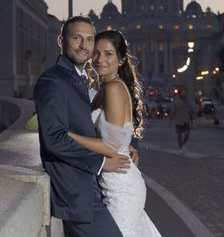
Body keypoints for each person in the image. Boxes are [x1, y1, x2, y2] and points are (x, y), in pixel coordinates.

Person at [34, 16, 130, 237]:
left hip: (89, 187)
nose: (84, 46)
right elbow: (55, 138)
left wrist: (127, 144)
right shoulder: (53, 80)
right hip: (76, 193)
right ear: (61, 40)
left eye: (89, 39)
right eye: (77, 38)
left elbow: (87, 125)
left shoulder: (75, 78)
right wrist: (100, 163)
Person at [67, 30, 161, 237]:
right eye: (97, 53)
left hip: (121, 188)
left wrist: (67, 135)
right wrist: (126, 145)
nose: (100, 59)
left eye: (108, 54)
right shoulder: (107, 87)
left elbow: (109, 146)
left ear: (120, 59)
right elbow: (115, 136)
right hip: (114, 181)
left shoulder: (113, 89)